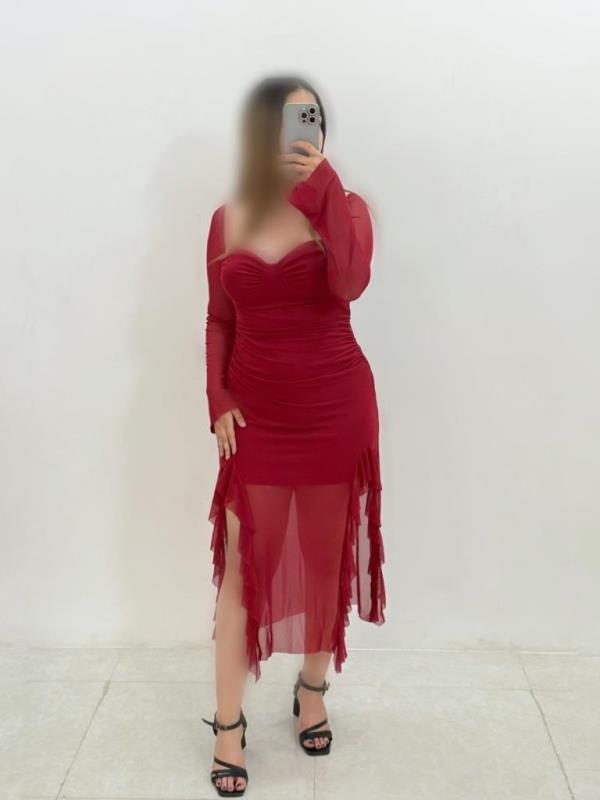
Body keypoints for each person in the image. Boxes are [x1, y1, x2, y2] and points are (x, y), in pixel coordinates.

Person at [202, 75, 386, 797]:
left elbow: (349, 283)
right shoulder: (227, 218)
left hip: (335, 408)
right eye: (284, 120)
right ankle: (227, 726)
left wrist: (323, 189)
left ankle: (312, 690)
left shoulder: (347, 208)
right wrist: (217, 396)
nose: (299, 131)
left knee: (323, 557)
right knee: (242, 567)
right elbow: (219, 319)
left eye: (309, 118)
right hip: (257, 419)